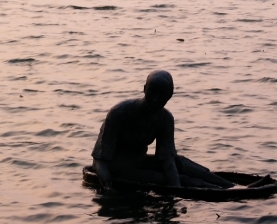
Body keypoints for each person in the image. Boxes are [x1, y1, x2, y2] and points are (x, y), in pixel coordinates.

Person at [92, 70, 234, 189]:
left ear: (170, 95)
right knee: (165, 179)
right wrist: (107, 186)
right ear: (144, 89)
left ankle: (230, 186)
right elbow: (100, 159)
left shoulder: (165, 119)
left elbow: (167, 161)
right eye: (152, 92)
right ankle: (213, 189)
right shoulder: (120, 112)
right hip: (116, 169)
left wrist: (175, 187)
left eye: (162, 95)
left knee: (181, 162)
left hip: (139, 162)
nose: (155, 100)